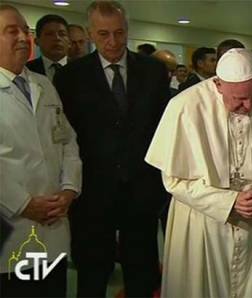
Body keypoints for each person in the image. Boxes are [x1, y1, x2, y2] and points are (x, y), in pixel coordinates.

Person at [145, 48, 252, 298]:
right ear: (219, 84)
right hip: (202, 226)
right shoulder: (184, 106)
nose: (247, 106)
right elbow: (174, 180)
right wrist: (228, 201)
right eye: (238, 99)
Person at [54, 1, 170, 297]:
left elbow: (163, 130)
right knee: (92, 278)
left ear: (128, 30)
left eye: (119, 33)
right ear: (91, 34)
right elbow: (66, 138)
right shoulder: (70, 77)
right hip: (92, 195)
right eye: (104, 34)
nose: (113, 42)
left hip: (142, 194)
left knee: (142, 275)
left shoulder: (153, 71)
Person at [0, 4, 81, 297]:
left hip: (53, 224)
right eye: (12, 31)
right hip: (11, 227)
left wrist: (70, 189)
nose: (23, 37)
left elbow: (68, 141)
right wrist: (23, 204)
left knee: (51, 290)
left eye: (25, 30)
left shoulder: (44, 84)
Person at [26, 14, 70, 81]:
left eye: (62, 34)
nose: (57, 38)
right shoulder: (27, 69)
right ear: (36, 41)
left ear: (69, 40)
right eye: (50, 34)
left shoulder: (81, 68)